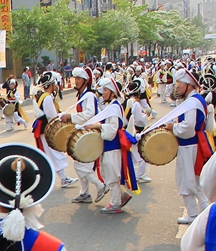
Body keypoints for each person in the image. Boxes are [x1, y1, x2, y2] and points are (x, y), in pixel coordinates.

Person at [169, 68, 212, 225]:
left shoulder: (192, 102)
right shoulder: (192, 100)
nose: (177, 85)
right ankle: (203, 211)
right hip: (192, 145)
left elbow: (188, 127)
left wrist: (172, 127)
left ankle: (195, 213)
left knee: (187, 180)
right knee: (193, 181)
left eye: (179, 82)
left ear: (189, 85)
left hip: (190, 146)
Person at [61, 67, 107, 205]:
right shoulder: (82, 95)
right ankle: (84, 193)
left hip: (90, 135)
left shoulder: (89, 96)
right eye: (75, 78)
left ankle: (100, 186)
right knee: (82, 163)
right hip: (85, 134)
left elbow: (89, 114)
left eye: (79, 79)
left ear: (85, 81)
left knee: (80, 164)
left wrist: (71, 117)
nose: (76, 81)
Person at [93, 77, 138, 215]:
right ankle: (120, 197)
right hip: (110, 146)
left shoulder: (113, 107)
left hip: (112, 146)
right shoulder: (113, 106)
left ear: (113, 93)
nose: (103, 93)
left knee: (112, 174)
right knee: (110, 173)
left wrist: (97, 126)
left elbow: (112, 130)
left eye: (106, 90)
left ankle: (115, 203)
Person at [32, 72, 76, 189]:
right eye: (55, 83)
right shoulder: (47, 98)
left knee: (51, 153)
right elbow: (51, 117)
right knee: (54, 152)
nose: (57, 85)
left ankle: (62, 178)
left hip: (43, 128)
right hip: (47, 129)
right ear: (51, 84)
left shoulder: (43, 96)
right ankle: (63, 178)